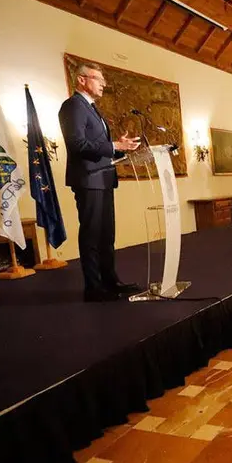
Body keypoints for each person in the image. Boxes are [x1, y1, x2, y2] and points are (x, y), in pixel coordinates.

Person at [58, 62, 141, 302]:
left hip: (103, 178)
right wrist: (114, 145)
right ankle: (93, 288)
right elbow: (77, 144)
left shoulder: (92, 109)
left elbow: (98, 146)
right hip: (89, 179)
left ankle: (111, 282)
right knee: (92, 234)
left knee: (106, 235)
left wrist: (118, 147)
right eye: (98, 79)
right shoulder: (73, 106)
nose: (103, 84)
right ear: (82, 80)